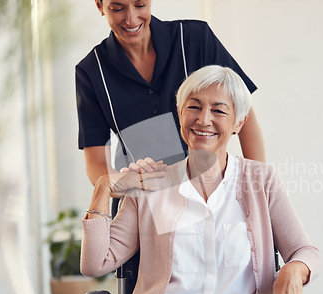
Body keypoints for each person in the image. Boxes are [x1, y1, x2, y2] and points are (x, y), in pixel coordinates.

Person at [80, 65, 320, 294]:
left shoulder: (260, 181)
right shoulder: (152, 186)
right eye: (193, 107)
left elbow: (306, 252)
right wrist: (103, 187)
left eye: (218, 110)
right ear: (180, 114)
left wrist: (292, 271)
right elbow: (95, 263)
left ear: (238, 123)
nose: (203, 120)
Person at [76, 0, 265, 187]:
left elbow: (244, 117)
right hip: (143, 203)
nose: (131, 19)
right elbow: (96, 163)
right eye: (117, 8)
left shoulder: (195, 38)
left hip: (208, 195)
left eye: (140, 5)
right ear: (100, 6)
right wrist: (122, 184)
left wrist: (256, 187)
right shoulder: (92, 71)